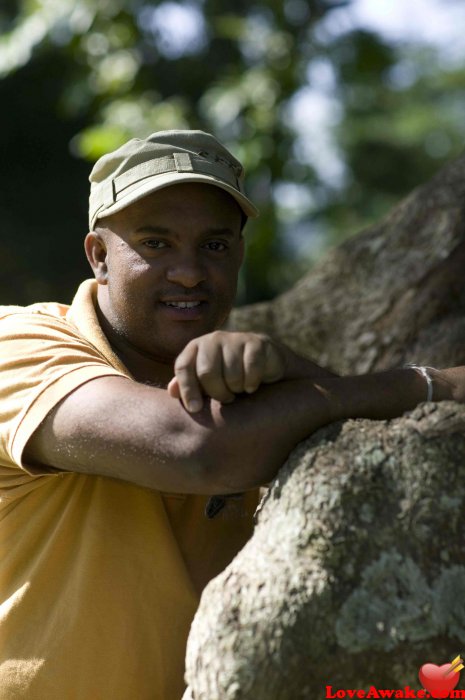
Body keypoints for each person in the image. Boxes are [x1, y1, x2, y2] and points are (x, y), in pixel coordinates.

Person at [0, 130, 462, 700]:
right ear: (98, 255)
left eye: (214, 246)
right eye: (156, 244)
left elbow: (345, 435)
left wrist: (286, 364)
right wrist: (430, 384)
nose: (190, 272)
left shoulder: (246, 389)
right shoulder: (19, 343)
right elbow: (195, 451)